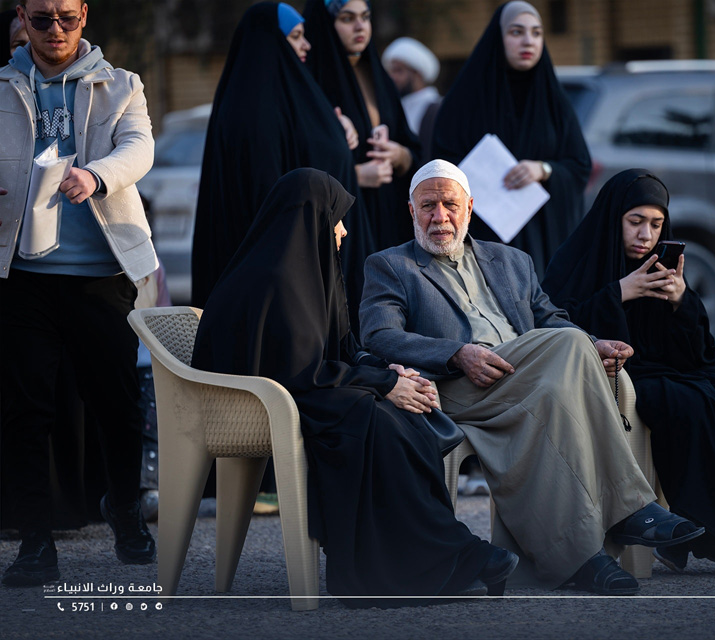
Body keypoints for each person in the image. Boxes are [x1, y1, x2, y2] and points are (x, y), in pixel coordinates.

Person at [360, 159, 704, 595]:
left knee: (571, 357)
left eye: (450, 205)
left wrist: (594, 344)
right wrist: (457, 353)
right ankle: (631, 508)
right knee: (569, 345)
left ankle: (580, 558)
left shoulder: (511, 260)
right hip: (460, 387)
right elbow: (379, 335)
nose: (440, 217)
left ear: (470, 207)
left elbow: (550, 318)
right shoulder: (390, 265)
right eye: (428, 206)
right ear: (411, 211)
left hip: (529, 380)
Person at [192, 168, 519, 606]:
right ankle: (416, 566)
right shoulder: (271, 280)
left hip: (299, 393)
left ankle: (437, 560)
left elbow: (341, 350)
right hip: (257, 405)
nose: (343, 230)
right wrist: (383, 384)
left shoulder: (308, 274)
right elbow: (297, 369)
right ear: (310, 220)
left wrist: (390, 373)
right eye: (336, 219)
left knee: (399, 415)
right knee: (373, 420)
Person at [542, 169, 715, 574]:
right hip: (614, 376)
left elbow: (700, 352)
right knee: (684, 404)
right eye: (635, 222)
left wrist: (681, 300)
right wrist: (619, 292)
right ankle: (711, 538)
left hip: (670, 369)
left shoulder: (660, 267)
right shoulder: (575, 259)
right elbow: (555, 326)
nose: (646, 235)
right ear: (614, 218)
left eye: (656, 224)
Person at [1, 0, 158, 587]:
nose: (56, 30)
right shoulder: (3, 86)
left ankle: (124, 507)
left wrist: (97, 175)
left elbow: (138, 148)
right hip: (21, 275)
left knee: (116, 403)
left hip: (100, 272)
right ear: (22, 18)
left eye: (67, 17)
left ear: (85, 15)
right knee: (26, 408)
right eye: (42, 19)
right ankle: (35, 541)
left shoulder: (121, 84)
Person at [191, 2, 367, 313]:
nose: (306, 45)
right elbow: (267, 193)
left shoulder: (295, 97)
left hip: (318, 257)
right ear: (270, 41)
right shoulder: (254, 112)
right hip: (286, 272)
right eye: (296, 36)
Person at [430, 1, 591, 277]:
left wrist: (543, 169)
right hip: (482, 242)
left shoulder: (554, 102)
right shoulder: (465, 101)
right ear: (499, 38)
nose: (528, 41)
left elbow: (579, 166)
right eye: (517, 32)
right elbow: (442, 163)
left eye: (536, 33)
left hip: (543, 243)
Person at [303, 0, 421, 255]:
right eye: (347, 18)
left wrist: (399, 155)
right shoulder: (310, 81)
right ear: (326, 23)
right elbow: (300, 158)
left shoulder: (378, 77)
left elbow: (408, 142)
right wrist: (354, 175)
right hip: (342, 223)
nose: (360, 26)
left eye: (365, 17)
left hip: (386, 215)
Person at [381, 36, 440, 137]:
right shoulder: (394, 107)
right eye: (390, 71)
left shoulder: (435, 109)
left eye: (398, 70)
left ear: (418, 74)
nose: (392, 77)